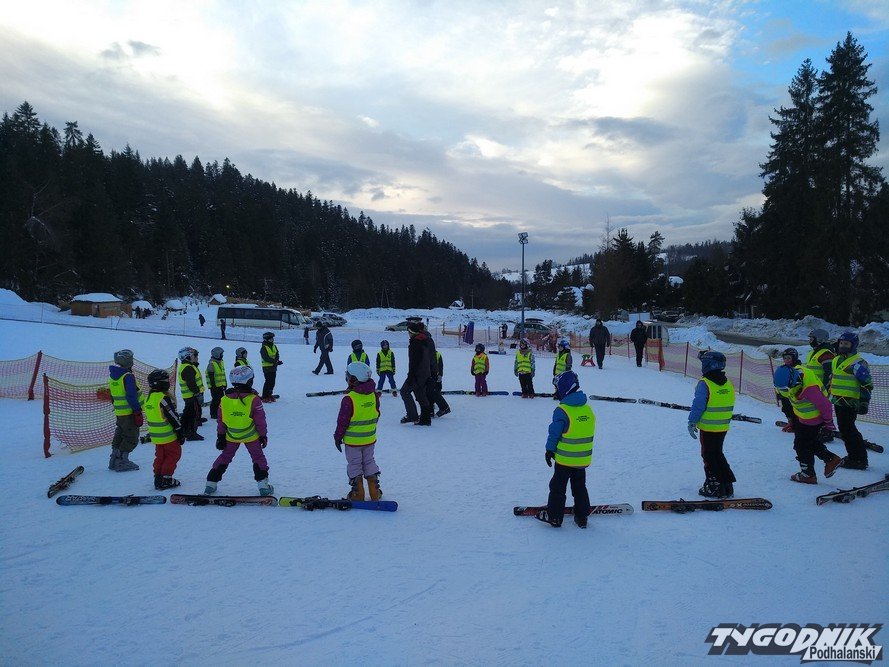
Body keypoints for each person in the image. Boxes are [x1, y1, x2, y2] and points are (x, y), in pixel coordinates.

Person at [536, 371, 594, 528]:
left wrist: (549, 450)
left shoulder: (562, 410)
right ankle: (582, 516)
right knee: (579, 487)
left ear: (564, 389)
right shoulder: (587, 409)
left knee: (558, 488)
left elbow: (554, 433)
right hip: (582, 460)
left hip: (564, 460)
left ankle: (555, 516)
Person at [205, 365, 273, 496]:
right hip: (251, 436)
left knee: (225, 456)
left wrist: (220, 436)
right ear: (249, 381)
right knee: (258, 457)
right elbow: (260, 421)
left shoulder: (224, 399)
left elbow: (221, 420)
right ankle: (263, 486)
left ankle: (210, 483)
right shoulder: (254, 399)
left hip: (231, 436)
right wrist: (263, 436)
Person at [773, 365, 843, 484]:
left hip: (814, 419)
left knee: (801, 445)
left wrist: (829, 424)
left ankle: (809, 474)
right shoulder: (790, 377)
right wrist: (792, 420)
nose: (784, 391)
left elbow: (826, 405)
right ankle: (829, 460)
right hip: (802, 417)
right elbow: (783, 392)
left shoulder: (810, 389)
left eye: (786, 388)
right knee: (808, 442)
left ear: (795, 382)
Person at [687, 351, 736, 498]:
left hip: (708, 427)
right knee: (717, 453)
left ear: (708, 365)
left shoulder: (705, 383)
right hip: (722, 426)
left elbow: (699, 404)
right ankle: (726, 484)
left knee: (708, 455)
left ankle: (715, 486)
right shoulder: (727, 382)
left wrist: (692, 421)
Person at [334, 362, 382, 501]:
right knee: (369, 462)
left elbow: (343, 421)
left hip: (353, 442)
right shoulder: (374, 396)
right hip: (369, 439)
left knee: (355, 464)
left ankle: (358, 493)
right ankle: (374, 491)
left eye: (348, 376)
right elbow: (376, 414)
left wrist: (338, 437)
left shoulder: (349, 398)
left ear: (353, 379)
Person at [829, 332, 874, 470]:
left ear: (853, 345)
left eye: (846, 344)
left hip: (851, 402)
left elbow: (867, 384)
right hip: (838, 401)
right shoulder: (836, 359)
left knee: (848, 429)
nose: (843, 346)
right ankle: (854, 456)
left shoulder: (857, 363)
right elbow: (834, 378)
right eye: (841, 343)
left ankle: (859, 459)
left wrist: (864, 402)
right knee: (844, 429)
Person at [144, 369, 184, 490]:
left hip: (156, 435)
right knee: (173, 455)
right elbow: (171, 415)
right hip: (168, 435)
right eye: (166, 380)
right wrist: (179, 430)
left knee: (160, 456)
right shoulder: (163, 398)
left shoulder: (149, 398)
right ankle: (166, 478)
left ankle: (158, 477)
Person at [108, 349, 143, 471]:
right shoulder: (127, 376)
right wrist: (137, 410)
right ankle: (122, 461)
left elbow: (112, 395)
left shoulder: (114, 375)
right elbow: (131, 395)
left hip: (120, 412)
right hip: (129, 413)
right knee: (131, 437)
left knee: (120, 434)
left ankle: (114, 459)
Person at [400, 321, 435, 425]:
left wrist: (410, 377)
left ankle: (412, 416)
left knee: (404, 391)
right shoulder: (424, 340)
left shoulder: (415, 344)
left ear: (411, 333)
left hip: (418, 375)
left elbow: (414, 363)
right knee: (420, 394)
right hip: (425, 373)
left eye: (408, 332)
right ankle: (425, 419)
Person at [177, 346, 205, 441]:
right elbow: (191, 383)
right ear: (187, 357)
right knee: (193, 415)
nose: (194, 357)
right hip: (192, 396)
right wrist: (197, 393)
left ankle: (184, 430)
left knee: (188, 413)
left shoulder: (188, 366)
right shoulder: (188, 368)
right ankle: (191, 433)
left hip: (189, 396)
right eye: (192, 355)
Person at [775, 348, 802, 433]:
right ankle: (791, 422)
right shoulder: (783, 368)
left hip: (795, 396)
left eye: (789, 358)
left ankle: (797, 424)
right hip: (784, 395)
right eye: (785, 358)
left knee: (795, 410)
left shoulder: (798, 369)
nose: (786, 360)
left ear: (794, 358)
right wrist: (778, 393)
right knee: (786, 409)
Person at [260, 331, 283, 402]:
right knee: (268, 382)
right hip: (267, 367)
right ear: (267, 339)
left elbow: (277, 353)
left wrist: (277, 360)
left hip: (273, 367)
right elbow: (265, 358)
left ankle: (269, 394)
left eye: (272, 338)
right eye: (271, 338)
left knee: (272, 382)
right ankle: (265, 396)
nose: (272, 339)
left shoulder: (273, 346)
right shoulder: (264, 347)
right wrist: (275, 361)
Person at [205, 347, 227, 419]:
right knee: (215, 400)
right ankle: (213, 413)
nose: (222, 355)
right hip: (214, 387)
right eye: (221, 354)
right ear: (217, 354)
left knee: (221, 399)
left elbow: (223, 374)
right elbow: (211, 376)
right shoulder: (212, 364)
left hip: (220, 386)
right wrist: (213, 386)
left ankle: (220, 411)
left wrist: (225, 383)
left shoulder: (221, 362)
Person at [429, 347, 451, 417]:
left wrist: (440, 375)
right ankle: (431, 410)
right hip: (430, 376)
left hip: (435, 377)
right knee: (430, 392)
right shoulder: (427, 353)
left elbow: (440, 366)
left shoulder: (437, 354)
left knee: (434, 392)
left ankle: (443, 408)